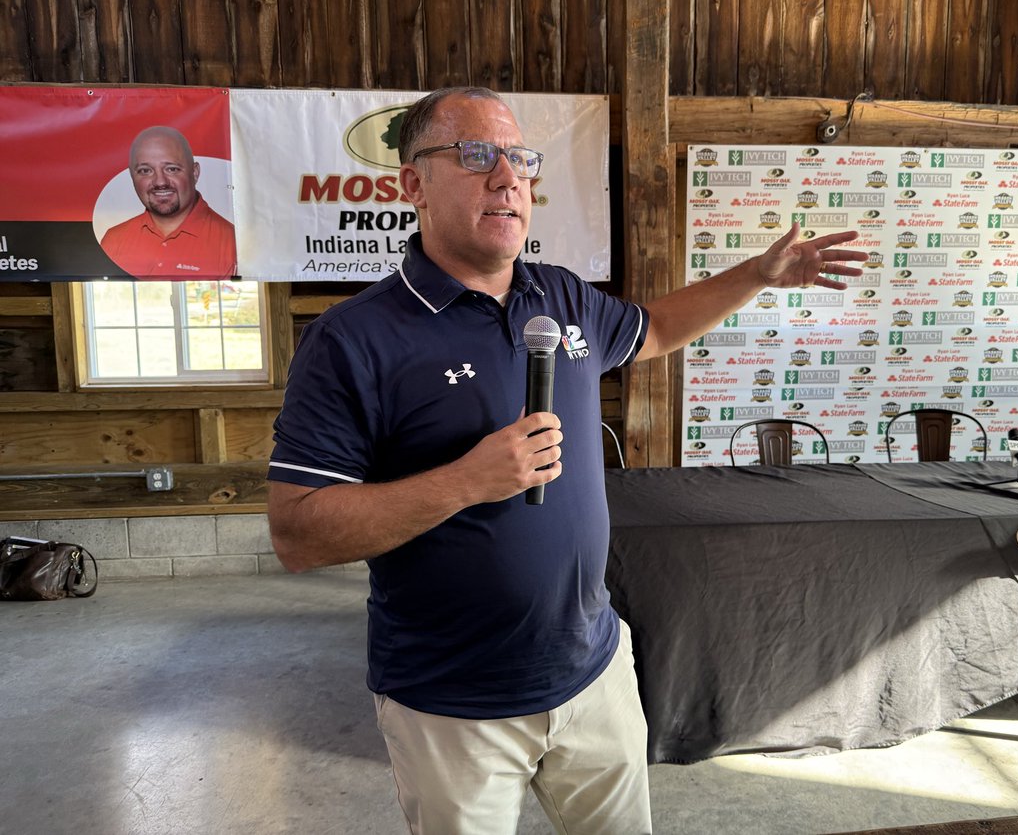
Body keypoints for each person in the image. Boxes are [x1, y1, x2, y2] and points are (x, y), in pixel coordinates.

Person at [267, 85, 866, 835]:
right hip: (453, 704)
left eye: (519, 158)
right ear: (411, 184)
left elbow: (650, 331)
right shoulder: (353, 340)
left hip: (594, 672)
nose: (507, 177)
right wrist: (466, 482)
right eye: (476, 155)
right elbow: (297, 533)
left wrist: (755, 275)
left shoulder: (562, 296)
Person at [100, 125, 237, 279]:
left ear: (195, 173)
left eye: (171, 169)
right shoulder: (113, 241)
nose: (160, 182)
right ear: (132, 176)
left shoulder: (233, 243)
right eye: (145, 171)